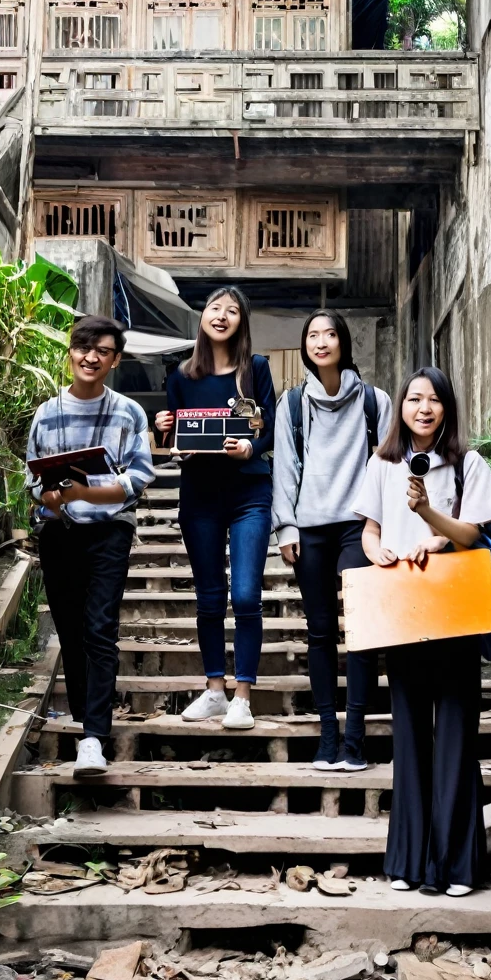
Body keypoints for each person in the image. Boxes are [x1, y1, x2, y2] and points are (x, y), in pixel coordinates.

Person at [354, 366, 491, 897]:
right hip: (403, 607)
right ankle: (409, 863)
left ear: (447, 408)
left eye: (434, 400)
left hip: (456, 608)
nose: (423, 408)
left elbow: (474, 534)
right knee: (410, 733)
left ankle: (457, 866)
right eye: (414, 399)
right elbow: (370, 531)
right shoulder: (383, 463)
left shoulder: (467, 464)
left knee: (457, 732)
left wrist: (429, 518)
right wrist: (381, 552)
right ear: (400, 407)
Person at [26, 315, 155, 778]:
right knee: (72, 632)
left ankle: (95, 738)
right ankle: (85, 720)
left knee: (100, 628)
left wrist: (85, 493)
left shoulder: (128, 412)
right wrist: (55, 497)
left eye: (102, 350)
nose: (91, 356)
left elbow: (137, 479)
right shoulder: (47, 412)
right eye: (83, 347)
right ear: (71, 352)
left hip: (109, 531)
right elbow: (32, 481)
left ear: (115, 360)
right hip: (58, 532)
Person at [272, 310, 391, 771]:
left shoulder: (373, 401)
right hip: (310, 529)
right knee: (320, 632)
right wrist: (286, 527)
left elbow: (386, 466)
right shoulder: (293, 403)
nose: (321, 342)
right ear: (305, 345)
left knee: (361, 633)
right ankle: (327, 736)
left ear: (344, 341)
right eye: (313, 335)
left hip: (358, 527)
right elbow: (284, 469)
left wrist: (379, 525)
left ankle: (356, 739)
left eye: (330, 334)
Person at [155, 287, 276, 731]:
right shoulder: (181, 375)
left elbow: (269, 430)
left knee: (244, 595)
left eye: (232, 311)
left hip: (249, 494)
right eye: (214, 308)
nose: (222, 316)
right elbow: (176, 442)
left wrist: (249, 446)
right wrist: (163, 427)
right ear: (202, 316)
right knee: (209, 597)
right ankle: (214, 690)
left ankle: (242, 696)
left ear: (242, 321)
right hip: (199, 496)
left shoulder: (256, 369)